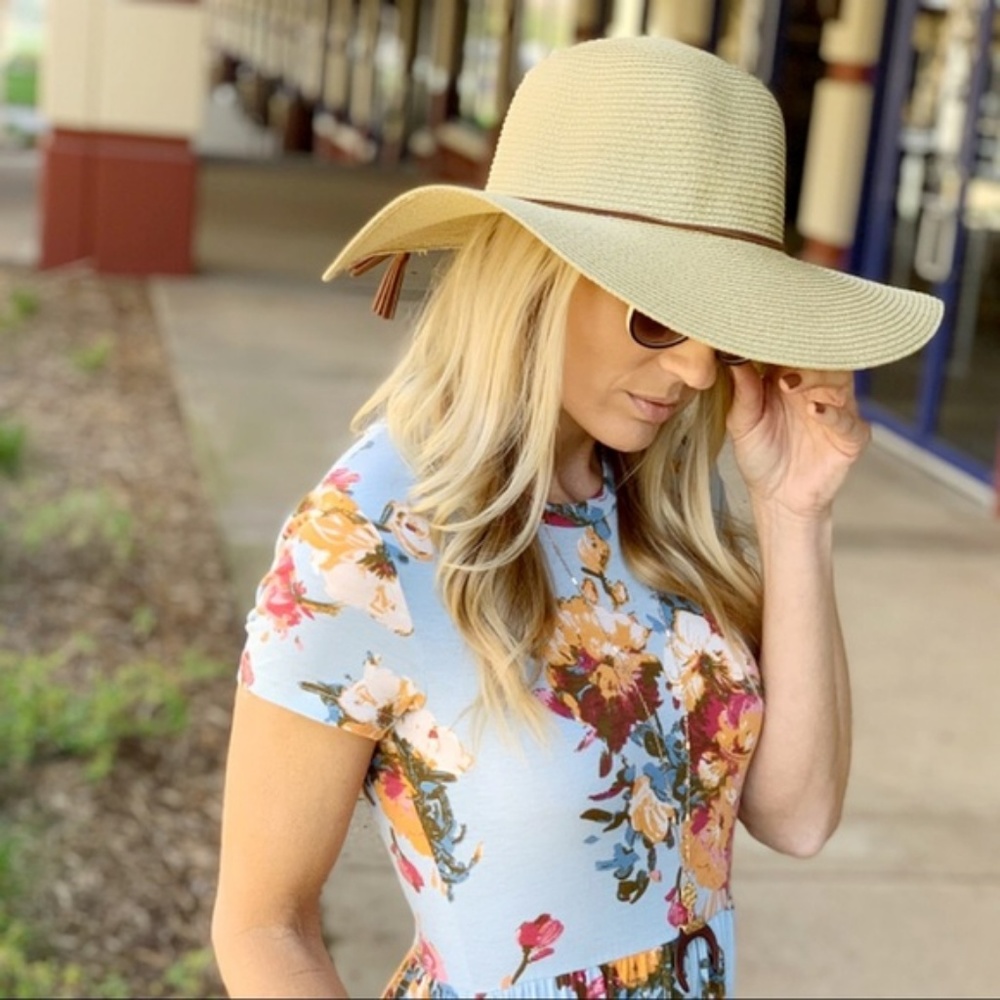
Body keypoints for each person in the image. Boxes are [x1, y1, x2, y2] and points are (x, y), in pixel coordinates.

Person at [211, 36, 942, 999]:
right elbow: (262, 926)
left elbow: (798, 817)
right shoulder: (366, 544)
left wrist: (794, 511)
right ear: (535, 273)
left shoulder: (652, 503)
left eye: (720, 329)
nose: (695, 370)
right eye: (658, 316)